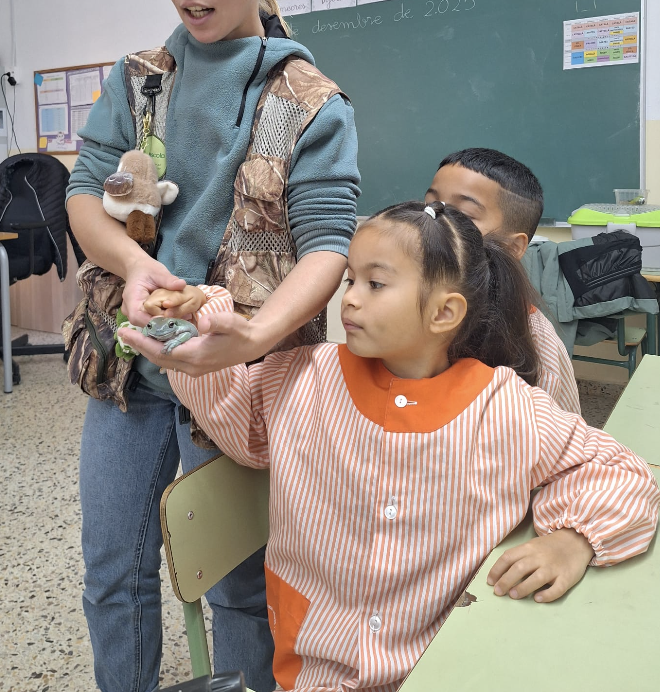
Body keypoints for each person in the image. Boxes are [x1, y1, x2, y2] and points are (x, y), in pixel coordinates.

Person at [123, 201, 659, 692]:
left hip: (444, 666)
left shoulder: (504, 407)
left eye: (375, 284)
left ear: (444, 313)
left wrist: (573, 541)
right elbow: (237, 421)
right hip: (317, 670)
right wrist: (197, 324)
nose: (350, 297)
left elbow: (623, 474)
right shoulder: (307, 376)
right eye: (351, 279)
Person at [65, 2, 360, 691]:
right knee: (112, 573)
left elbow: (327, 244)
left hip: (241, 382)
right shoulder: (139, 80)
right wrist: (135, 266)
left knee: (237, 585)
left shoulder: (309, 100)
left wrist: (253, 335)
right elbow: (84, 192)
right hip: (131, 370)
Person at [424, 147, 581, 415]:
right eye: (430, 206)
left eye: (464, 215)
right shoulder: (398, 298)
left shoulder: (538, 345)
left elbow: (559, 431)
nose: (436, 221)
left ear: (512, 247)